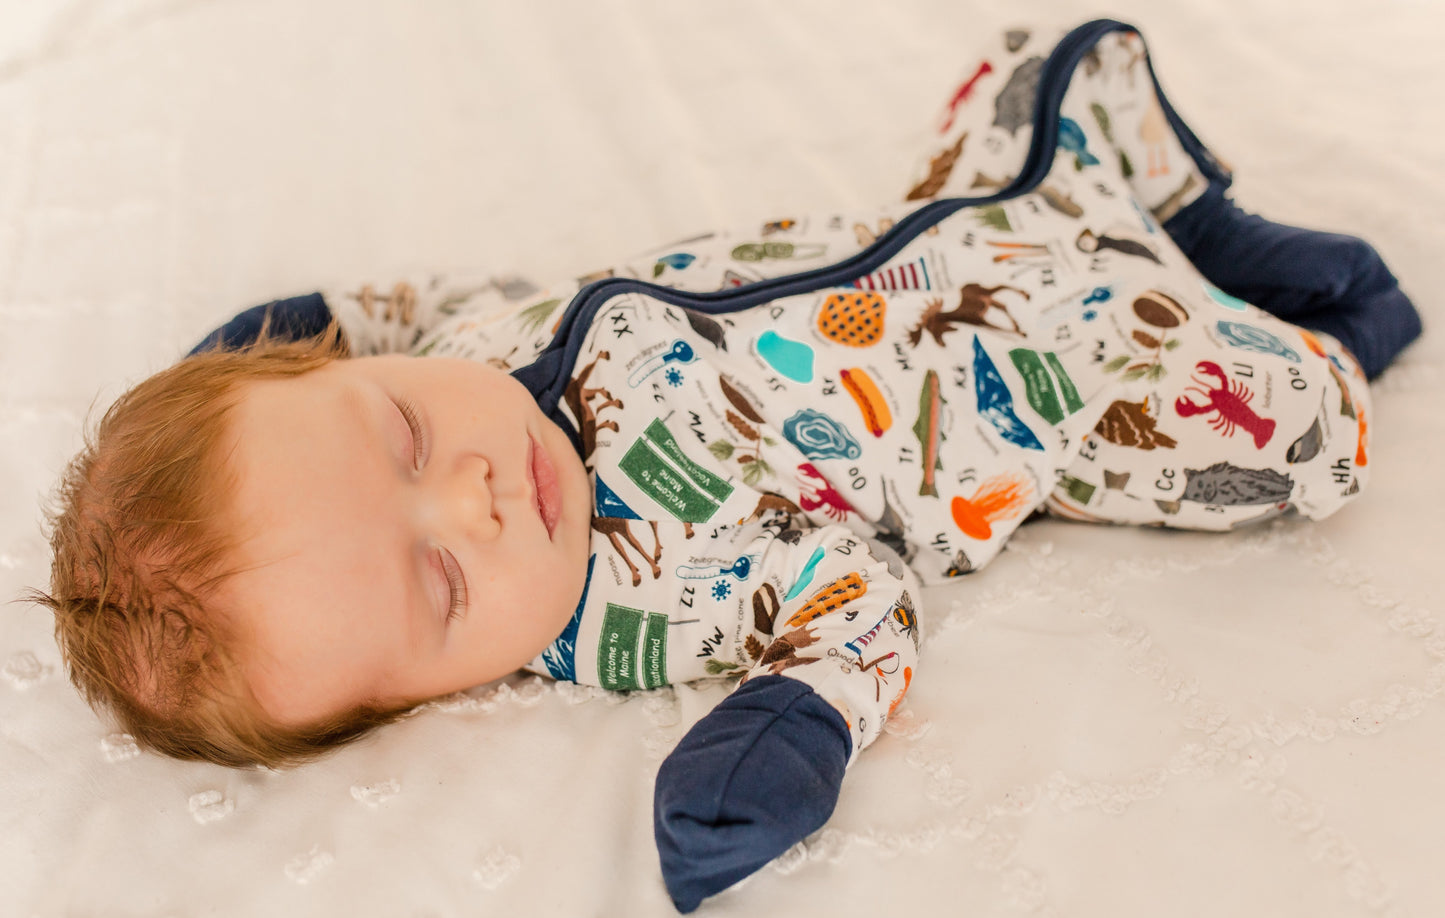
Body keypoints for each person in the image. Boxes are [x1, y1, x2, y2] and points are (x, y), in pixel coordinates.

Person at [33, 20, 1420, 913]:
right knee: (1301, 432)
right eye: (443, 585)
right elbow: (848, 599)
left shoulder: (461, 349)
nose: (473, 489)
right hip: (1055, 366)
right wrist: (793, 723)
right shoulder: (631, 601)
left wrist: (309, 332)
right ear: (424, 696)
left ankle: (1178, 211)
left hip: (963, 216)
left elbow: (406, 306)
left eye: (397, 433)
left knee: (1040, 57)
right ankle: (1237, 295)